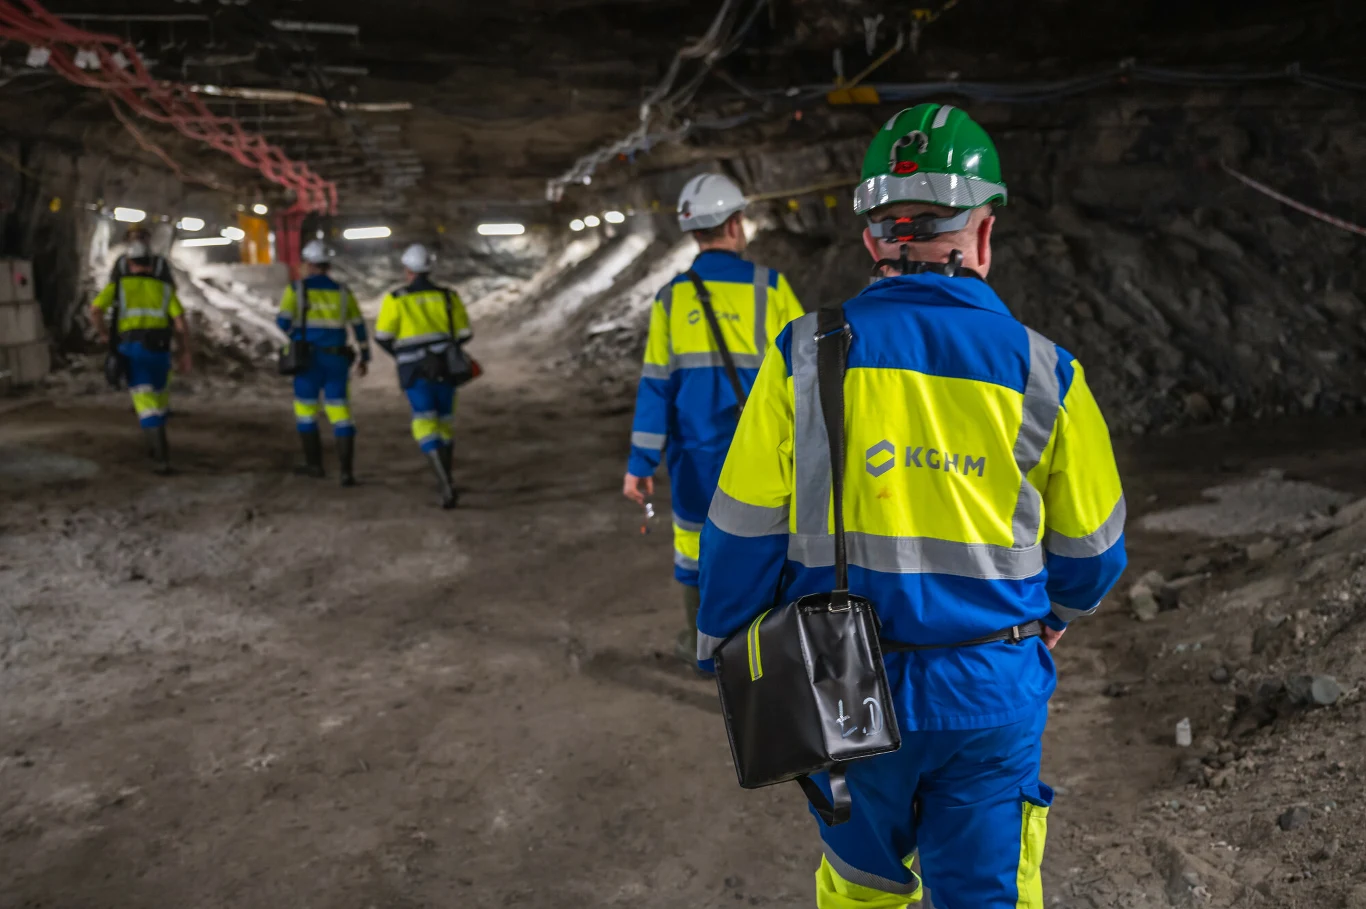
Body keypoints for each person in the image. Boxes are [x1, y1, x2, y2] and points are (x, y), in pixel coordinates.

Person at [697, 104, 1127, 908]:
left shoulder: (800, 355)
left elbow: (741, 531)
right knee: (985, 892)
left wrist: (725, 649)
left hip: (840, 686)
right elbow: (1094, 553)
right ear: (985, 235)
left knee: (862, 888)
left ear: (872, 239)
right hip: (990, 688)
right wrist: (1058, 610)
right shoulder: (1047, 373)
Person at [623, 173, 805, 664]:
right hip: (767, 455)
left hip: (696, 457)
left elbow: (656, 385)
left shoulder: (672, 298)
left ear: (694, 233)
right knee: (774, 546)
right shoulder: (773, 288)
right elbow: (806, 377)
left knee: (695, 549)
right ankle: (771, 656)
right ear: (733, 224)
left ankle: (703, 650)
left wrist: (640, 463)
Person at [373, 243, 471, 509]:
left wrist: (403, 355)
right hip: (446, 369)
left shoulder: (396, 299)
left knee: (424, 423)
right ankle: (447, 476)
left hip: (414, 370)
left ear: (407, 270)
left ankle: (445, 484)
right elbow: (464, 335)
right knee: (445, 423)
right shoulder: (449, 297)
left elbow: (382, 337)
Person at [90, 240, 194, 474]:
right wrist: (185, 351)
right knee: (158, 398)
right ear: (152, 263)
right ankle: (156, 448)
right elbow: (180, 322)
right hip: (160, 351)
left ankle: (160, 458)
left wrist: (104, 334)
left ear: (128, 262)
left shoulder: (119, 286)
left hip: (133, 351)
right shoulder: (165, 289)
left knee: (145, 404)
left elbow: (95, 310)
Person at [276, 240, 370, 485]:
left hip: (307, 360)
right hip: (337, 359)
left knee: (306, 411)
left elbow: (283, 322)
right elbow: (358, 325)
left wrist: (298, 331)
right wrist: (364, 355)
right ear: (328, 264)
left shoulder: (296, 289)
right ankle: (346, 471)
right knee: (340, 412)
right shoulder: (342, 291)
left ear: (308, 264)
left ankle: (314, 465)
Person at [110, 224, 174, 285]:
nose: (137, 241)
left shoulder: (159, 262)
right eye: (134, 237)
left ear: (148, 238)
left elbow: (169, 285)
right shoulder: (122, 262)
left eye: (141, 237)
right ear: (128, 239)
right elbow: (113, 283)